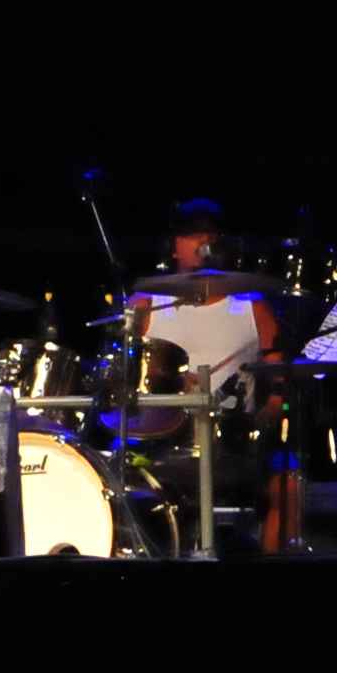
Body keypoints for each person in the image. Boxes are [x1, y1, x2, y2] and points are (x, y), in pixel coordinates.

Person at [126, 198, 289, 553]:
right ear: (174, 246)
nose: (202, 243)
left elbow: (280, 381)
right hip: (157, 444)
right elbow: (126, 377)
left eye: (208, 234)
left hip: (229, 444)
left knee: (287, 484)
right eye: (191, 235)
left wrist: (272, 408)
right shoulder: (144, 304)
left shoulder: (252, 305)